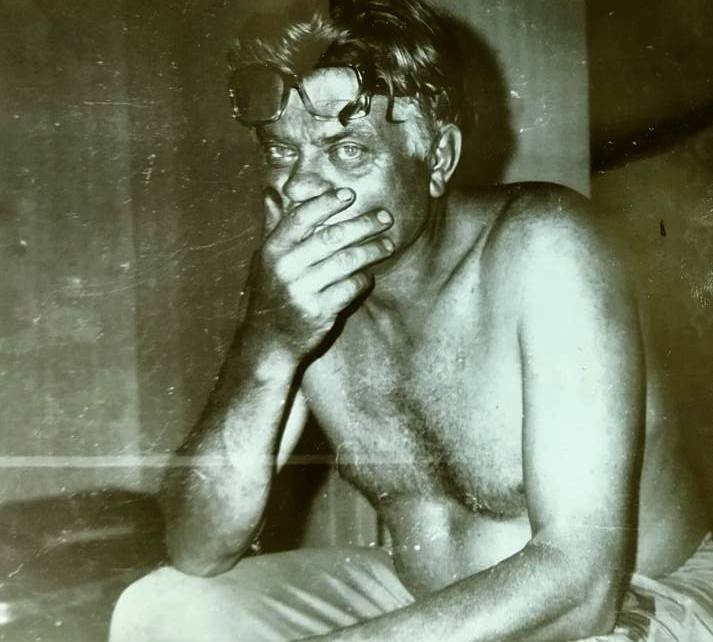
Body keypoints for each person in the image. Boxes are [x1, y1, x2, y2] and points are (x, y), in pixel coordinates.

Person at [110, 1, 712, 640]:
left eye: (347, 150)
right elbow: (197, 549)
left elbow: (582, 588)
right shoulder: (297, 289)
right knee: (165, 610)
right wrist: (267, 343)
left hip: (636, 594)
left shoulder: (547, 247)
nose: (301, 189)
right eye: (283, 151)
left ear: (439, 157)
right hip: (432, 595)